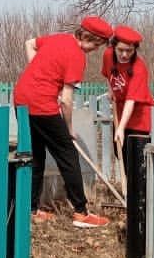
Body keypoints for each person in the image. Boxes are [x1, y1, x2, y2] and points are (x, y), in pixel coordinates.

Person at [13, 15, 113, 229]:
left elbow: (29, 43)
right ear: (90, 38)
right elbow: (66, 102)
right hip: (42, 105)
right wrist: (69, 129)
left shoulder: (59, 38)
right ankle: (81, 212)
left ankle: (31, 209)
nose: (95, 49)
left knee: (36, 155)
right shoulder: (77, 56)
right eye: (97, 44)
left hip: (21, 97)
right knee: (68, 156)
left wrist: (40, 73)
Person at [101, 25, 154, 258]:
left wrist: (121, 128)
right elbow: (108, 77)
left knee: (137, 167)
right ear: (114, 46)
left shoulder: (139, 67)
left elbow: (133, 99)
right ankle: (130, 202)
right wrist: (112, 91)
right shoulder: (107, 56)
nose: (124, 55)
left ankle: (139, 206)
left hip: (140, 121)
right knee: (120, 157)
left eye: (129, 51)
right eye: (121, 50)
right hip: (120, 114)